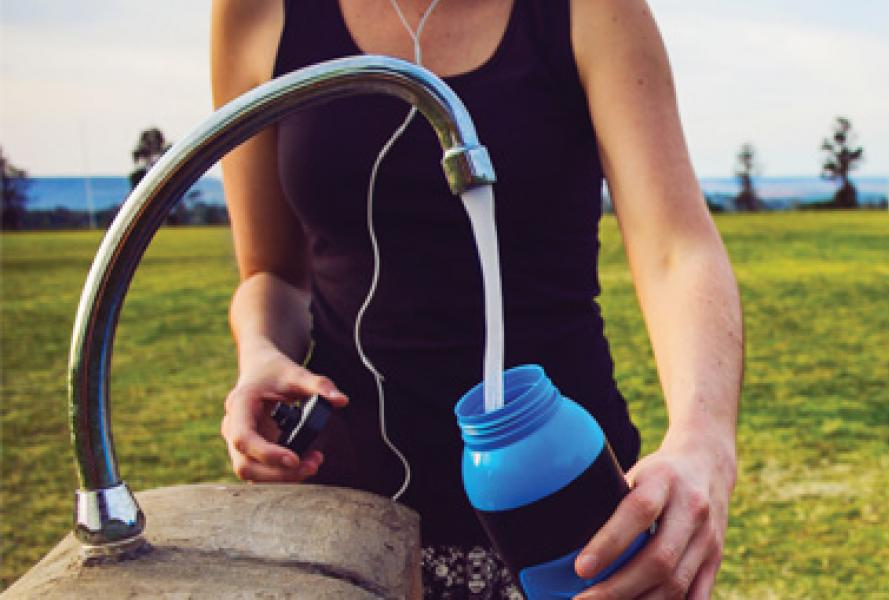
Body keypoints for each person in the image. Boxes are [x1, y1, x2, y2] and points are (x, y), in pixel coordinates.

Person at [211, 0, 742, 597]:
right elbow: (271, 274)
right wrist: (257, 352)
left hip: (567, 518)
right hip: (344, 521)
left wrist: (704, 441)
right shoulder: (257, 12)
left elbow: (675, 251)